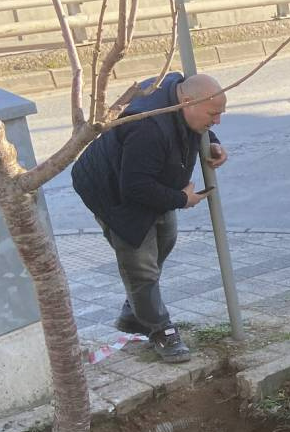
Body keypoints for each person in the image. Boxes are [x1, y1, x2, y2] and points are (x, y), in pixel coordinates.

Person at [71, 72, 228, 363]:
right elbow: (135, 188)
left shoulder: (176, 86)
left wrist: (212, 142)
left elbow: (194, 127)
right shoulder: (149, 127)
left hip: (146, 179)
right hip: (113, 192)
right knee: (141, 265)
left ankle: (135, 311)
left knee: (165, 239)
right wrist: (183, 199)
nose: (217, 120)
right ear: (188, 102)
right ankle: (160, 330)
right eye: (213, 115)